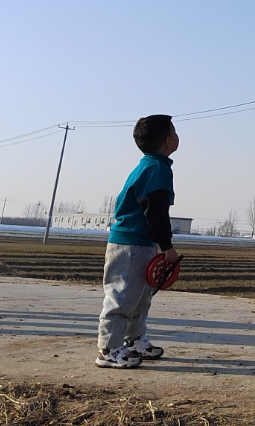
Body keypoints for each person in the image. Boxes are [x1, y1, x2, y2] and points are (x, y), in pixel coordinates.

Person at [96, 114, 181, 370]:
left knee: (140, 298)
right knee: (122, 298)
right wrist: (166, 245)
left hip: (141, 242)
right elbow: (155, 210)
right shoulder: (154, 169)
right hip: (129, 244)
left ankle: (133, 340)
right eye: (175, 131)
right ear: (168, 140)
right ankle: (108, 348)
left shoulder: (153, 165)